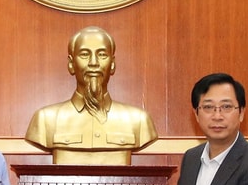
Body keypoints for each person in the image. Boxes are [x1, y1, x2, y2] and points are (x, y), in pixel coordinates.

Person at [25, 25, 158, 164]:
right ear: (71, 63)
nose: (93, 63)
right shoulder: (45, 120)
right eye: (84, 54)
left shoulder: (139, 120)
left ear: (112, 64)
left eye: (102, 55)